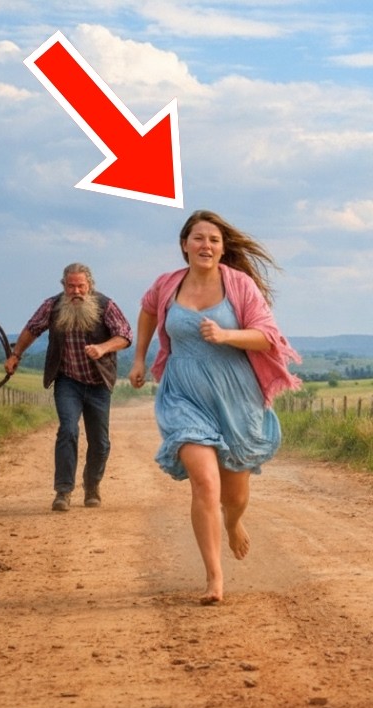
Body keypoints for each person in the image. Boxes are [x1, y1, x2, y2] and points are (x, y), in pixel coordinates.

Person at [128, 210, 301, 605]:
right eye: (199, 238)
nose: (206, 245)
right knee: (205, 481)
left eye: (214, 240)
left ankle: (234, 522)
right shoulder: (167, 284)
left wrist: (226, 335)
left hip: (234, 397)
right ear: (185, 244)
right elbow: (149, 310)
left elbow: (267, 338)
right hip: (183, 394)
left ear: (223, 249)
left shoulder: (238, 285)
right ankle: (214, 579)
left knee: (234, 495)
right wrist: (139, 357)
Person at [5, 263, 133, 510]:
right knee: (68, 430)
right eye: (71, 286)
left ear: (90, 286)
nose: (76, 291)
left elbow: (125, 335)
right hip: (67, 380)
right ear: (63, 286)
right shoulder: (52, 306)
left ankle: (92, 485)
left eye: (81, 286)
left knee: (100, 442)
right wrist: (16, 355)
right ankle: (63, 492)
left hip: (98, 384)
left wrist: (103, 348)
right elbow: (32, 329)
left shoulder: (106, 305)